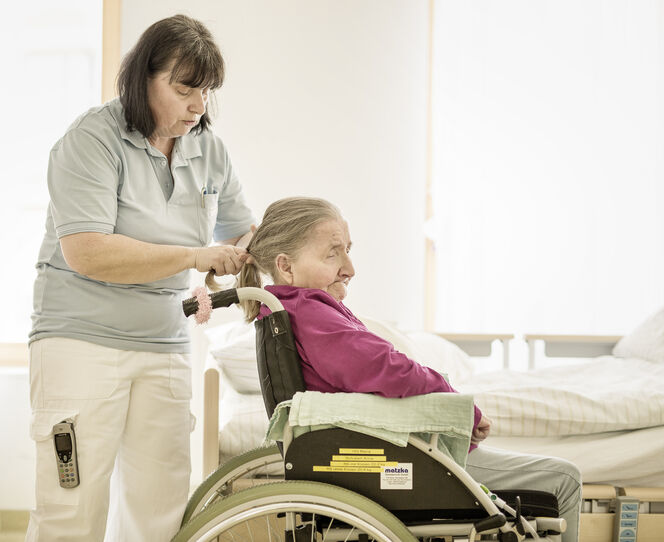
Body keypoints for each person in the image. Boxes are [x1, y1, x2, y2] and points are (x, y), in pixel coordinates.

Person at [27, 15, 255, 542]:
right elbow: (89, 252)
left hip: (165, 344)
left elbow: (242, 234)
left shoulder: (208, 149)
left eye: (206, 92)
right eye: (184, 89)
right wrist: (195, 257)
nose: (199, 106)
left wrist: (228, 265)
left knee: (160, 511)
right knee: (72, 509)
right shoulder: (92, 140)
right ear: (142, 79)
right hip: (80, 343)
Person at [236, 196, 582, 542]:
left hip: (385, 449)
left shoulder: (296, 311)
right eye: (333, 253)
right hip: (398, 455)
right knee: (564, 479)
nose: (349, 268)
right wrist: (461, 410)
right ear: (286, 266)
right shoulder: (311, 313)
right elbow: (389, 370)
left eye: (348, 250)